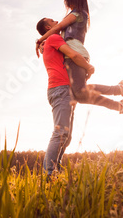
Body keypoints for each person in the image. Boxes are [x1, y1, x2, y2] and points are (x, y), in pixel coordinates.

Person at [36, 0, 123, 120]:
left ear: (73, 0)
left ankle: (120, 96)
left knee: (79, 94)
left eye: (67, 1)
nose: (66, 4)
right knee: (80, 92)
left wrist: (38, 41)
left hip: (75, 55)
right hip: (75, 54)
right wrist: (43, 43)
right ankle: (120, 94)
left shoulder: (77, 13)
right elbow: (55, 35)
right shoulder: (78, 14)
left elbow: (56, 28)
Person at [37, 18, 94, 176]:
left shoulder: (51, 41)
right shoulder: (54, 38)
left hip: (64, 89)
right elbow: (74, 55)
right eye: (52, 21)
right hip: (60, 89)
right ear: (48, 27)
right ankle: (49, 175)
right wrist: (89, 67)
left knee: (66, 137)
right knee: (60, 133)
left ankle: (56, 170)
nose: (57, 21)